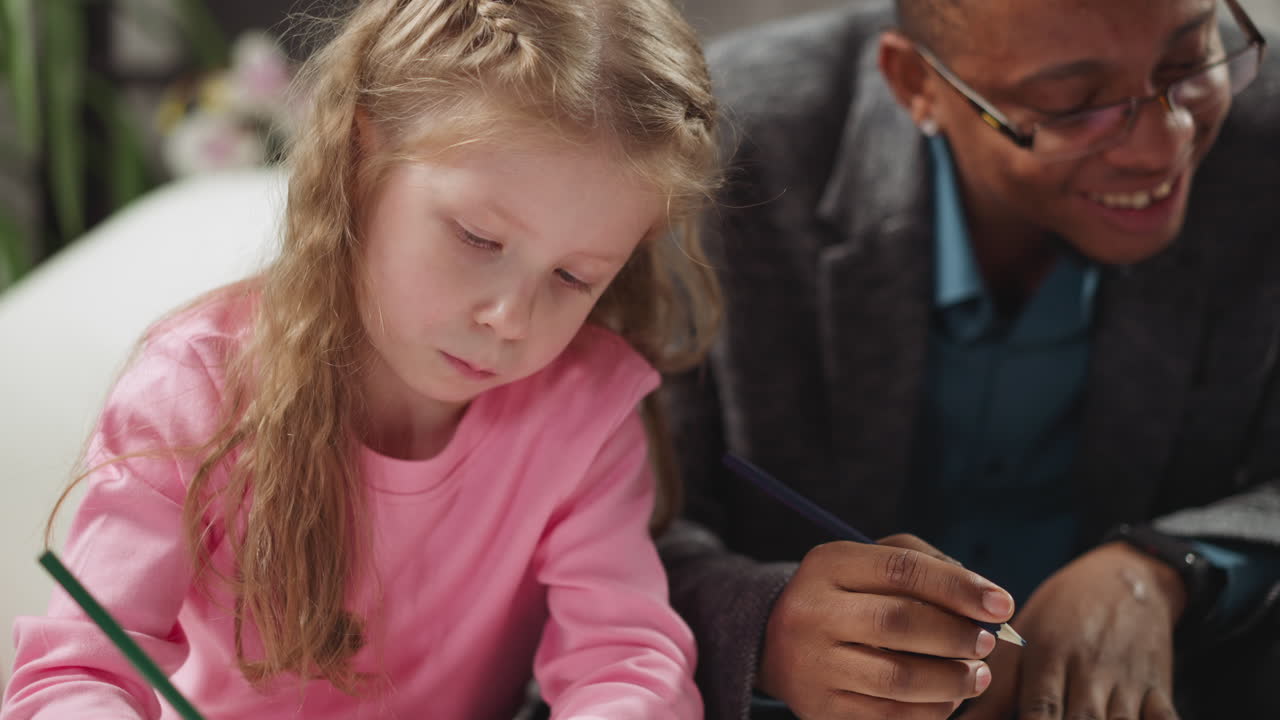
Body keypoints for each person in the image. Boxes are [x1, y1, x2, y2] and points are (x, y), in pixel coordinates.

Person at [2, 0, 724, 717]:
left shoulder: (583, 410)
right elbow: (75, 675)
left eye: (573, 278)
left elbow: (622, 661)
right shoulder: (192, 388)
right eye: (477, 238)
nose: (509, 318)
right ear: (359, 155)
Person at [659, 0, 1280, 718]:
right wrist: (763, 624)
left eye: (1187, 60)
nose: (1162, 144)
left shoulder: (1264, 136)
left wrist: (1173, 566)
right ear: (916, 83)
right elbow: (611, 526)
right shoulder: (722, 155)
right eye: (1073, 105)